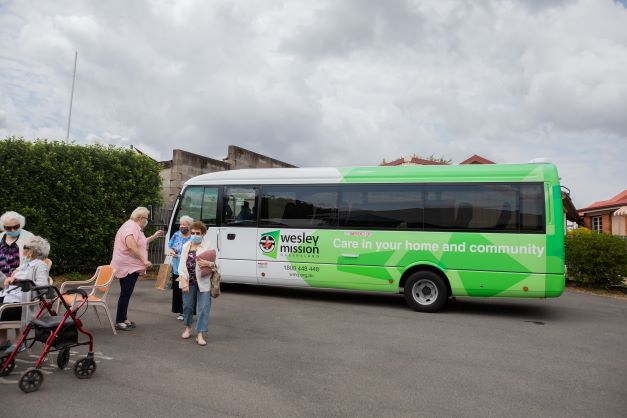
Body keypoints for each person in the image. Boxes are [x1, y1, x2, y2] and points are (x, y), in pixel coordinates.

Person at [110, 207, 163, 331]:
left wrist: (153, 236)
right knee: (125, 293)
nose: (147, 220)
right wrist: (144, 261)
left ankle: (123, 318)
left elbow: (140, 242)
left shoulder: (133, 227)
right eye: (146, 218)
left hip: (130, 266)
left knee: (127, 293)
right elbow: (132, 246)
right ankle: (119, 321)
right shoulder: (131, 227)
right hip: (128, 266)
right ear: (140, 218)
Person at [1, 236, 50, 351]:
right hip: (9, 299)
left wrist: (20, 282)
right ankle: (3, 341)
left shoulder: (40, 265)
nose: (22, 250)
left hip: (21, 305)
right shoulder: (26, 265)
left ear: (31, 251)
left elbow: (43, 287)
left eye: (24, 247)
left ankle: (16, 342)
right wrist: (11, 278)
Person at [177, 221, 216, 346]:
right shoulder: (186, 246)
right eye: (192, 233)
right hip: (189, 281)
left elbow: (218, 264)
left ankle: (200, 334)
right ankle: (188, 327)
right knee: (187, 306)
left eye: (197, 233)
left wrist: (209, 264)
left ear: (203, 234)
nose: (194, 235)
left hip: (204, 282)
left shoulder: (209, 246)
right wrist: (183, 279)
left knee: (204, 308)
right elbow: (182, 265)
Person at [168, 215, 193, 320]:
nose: (181, 226)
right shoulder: (176, 234)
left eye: (184, 224)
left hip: (188, 268)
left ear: (189, 226)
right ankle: (180, 312)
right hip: (176, 266)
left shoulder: (193, 237)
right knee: (177, 290)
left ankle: (187, 311)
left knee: (187, 289)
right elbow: (170, 246)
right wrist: (172, 252)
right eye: (181, 224)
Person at [0, 211, 35, 279]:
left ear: (20, 224)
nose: (13, 230)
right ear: (3, 227)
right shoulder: (0, 237)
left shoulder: (29, 237)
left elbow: (35, 260)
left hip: (22, 279)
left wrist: (19, 271)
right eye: (8, 228)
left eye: (16, 227)